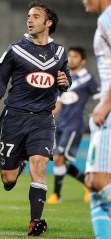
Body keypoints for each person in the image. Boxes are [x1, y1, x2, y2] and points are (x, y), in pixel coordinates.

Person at [0, 1, 71, 236]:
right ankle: (17, 165)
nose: (29, 20)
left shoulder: (60, 53)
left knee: (40, 167)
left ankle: (35, 221)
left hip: (43, 119)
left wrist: (65, 83)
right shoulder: (16, 49)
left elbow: (65, 78)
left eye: (35, 16)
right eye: (28, 16)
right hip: (14, 118)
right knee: (8, 180)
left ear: (48, 22)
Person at [47, 46, 100, 205]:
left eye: (75, 56)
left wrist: (98, 112)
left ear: (82, 60)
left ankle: (56, 194)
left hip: (74, 125)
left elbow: (100, 97)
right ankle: (87, 183)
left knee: (59, 158)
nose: (71, 59)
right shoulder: (65, 79)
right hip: (61, 124)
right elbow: (59, 104)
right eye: (69, 56)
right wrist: (45, 114)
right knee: (60, 160)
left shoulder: (88, 79)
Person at [82, 0, 111, 238]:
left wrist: (107, 104)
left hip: (109, 110)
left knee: (98, 181)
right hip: (105, 109)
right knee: (93, 186)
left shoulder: (109, 18)